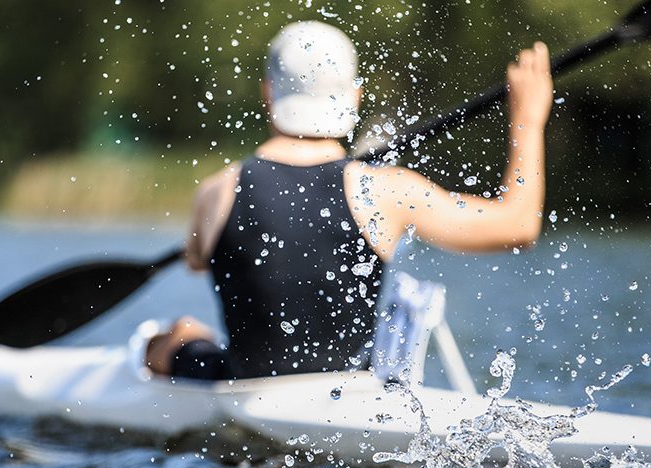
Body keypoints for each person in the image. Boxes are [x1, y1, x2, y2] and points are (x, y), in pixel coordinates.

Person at [146, 20, 553, 380]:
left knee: (169, 341)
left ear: (268, 93)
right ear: (355, 97)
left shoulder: (216, 191)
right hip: (345, 399)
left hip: (242, 385)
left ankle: (175, 338)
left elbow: (198, 260)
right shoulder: (385, 191)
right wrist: (528, 121)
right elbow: (518, 226)